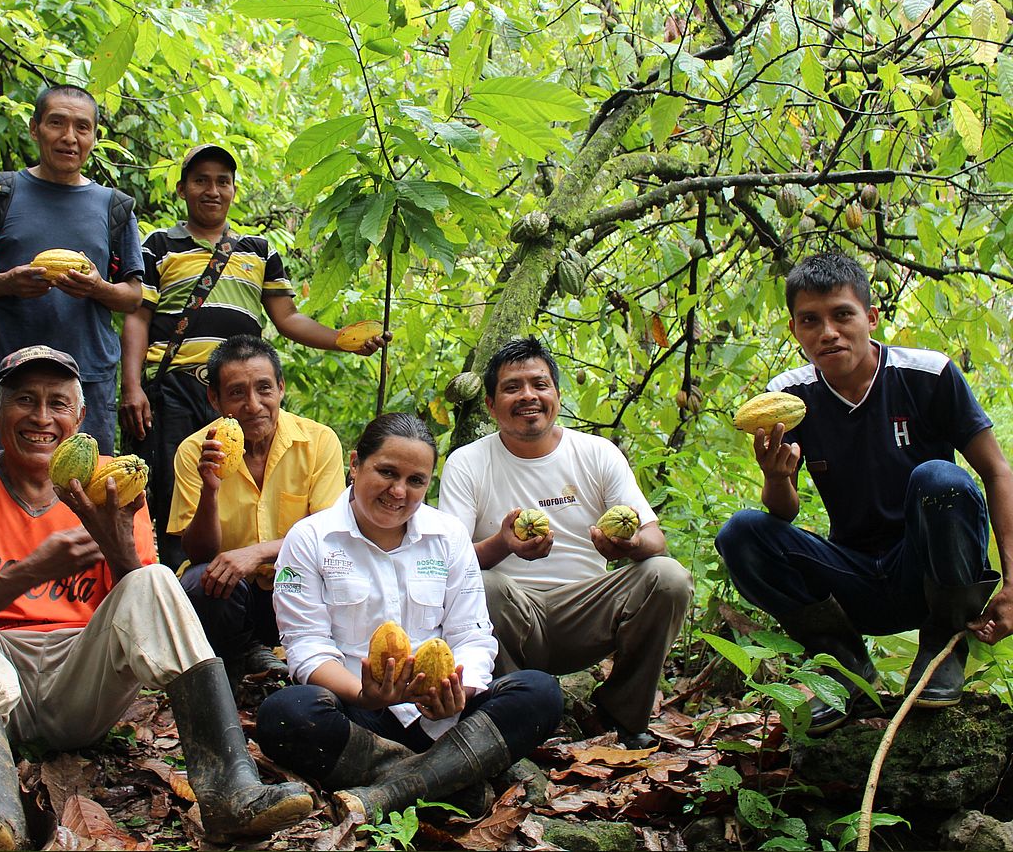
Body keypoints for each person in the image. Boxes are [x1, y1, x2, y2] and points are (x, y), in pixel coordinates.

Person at [0, 346, 312, 852]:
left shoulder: (114, 483)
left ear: (79, 416)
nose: (41, 417)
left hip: (79, 677)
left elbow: (135, 604)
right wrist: (33, 570)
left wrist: (115, 539)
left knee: (154, 579)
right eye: (25, 400)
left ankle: (230, 787)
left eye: (58, 403)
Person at [715, 252, 1011, 732]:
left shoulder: (927, 374)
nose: (828, 332)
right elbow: (782, 513)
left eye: (842, 314)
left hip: (928, 572)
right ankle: (845, 668)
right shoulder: (790, 398)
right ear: (795, 331)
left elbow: (997, 472)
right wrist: (775, 477)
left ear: (870, 318)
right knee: (742, 533)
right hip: (852, 576)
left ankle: (944, 644)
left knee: (941, 480)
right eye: (811, 321)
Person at [255, 413, 563, 822]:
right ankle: (447, 777)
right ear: (354, 464)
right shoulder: (311, 538)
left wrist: (460, 691)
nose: (398, 491)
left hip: (443, 713)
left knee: (540, 692)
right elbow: (306, 646)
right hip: (358, 712)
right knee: (285, 713)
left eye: (416, 480)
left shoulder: (448, 535)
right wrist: (364, 694)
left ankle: (394, 787)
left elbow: (472, 635)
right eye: (386, 472)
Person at [118, 143, 387, 557]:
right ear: (182, 188)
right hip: (177, 389)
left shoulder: (258, 250)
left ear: (233, 190)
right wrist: (131, 386)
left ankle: (252, 568)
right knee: (176, 491)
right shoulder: (159, 244)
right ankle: (181, 583)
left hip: (241, 393)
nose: (212, 190)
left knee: (243, 482)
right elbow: (138, 316)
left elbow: (287, 318)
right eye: (201, 180)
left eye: (222, 182)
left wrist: (344, 341)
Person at [438, 337, 693, 750]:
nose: (528, 396)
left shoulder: (596, 453)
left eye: (539, 384)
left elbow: (655, 538)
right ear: (489, 404)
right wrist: (504, 544)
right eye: (512, 387)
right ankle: (510, 717)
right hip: (512, 614)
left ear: (556, 393)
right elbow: (448, 563)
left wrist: (626, 546)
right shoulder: (467, 463)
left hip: (587, 610)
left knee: (668, 577)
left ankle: (623, 715)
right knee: (482, 585)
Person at [0, 85, 143, 459]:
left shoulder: (114, 207)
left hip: (85, 377)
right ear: (35, 128)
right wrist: (8, 282)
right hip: (3, 372)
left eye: (82, 127)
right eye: (57, 123)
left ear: (95, 137)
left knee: (81, 496)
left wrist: (97, 287)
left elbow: (133, 296)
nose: (69, 137)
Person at [169, 335, 345, 681]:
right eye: (236, 393)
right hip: (233, 596)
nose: (253, 405)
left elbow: (328, 532)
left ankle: (300, 659)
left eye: (263, 388)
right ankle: (238, 660)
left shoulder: (319, 441)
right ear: (214, 399)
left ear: (280, 388)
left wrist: (257, 553)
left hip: (296, 588)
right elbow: (198, 550)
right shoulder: (194, 451)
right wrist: (210, 487)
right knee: (204, 582)